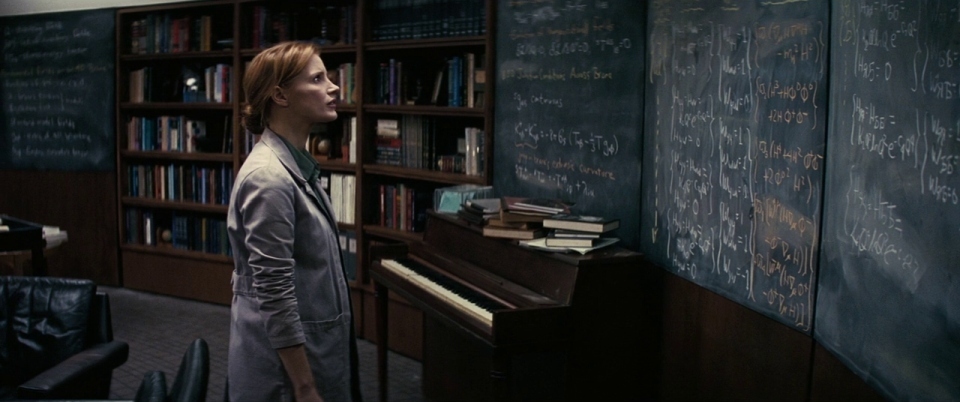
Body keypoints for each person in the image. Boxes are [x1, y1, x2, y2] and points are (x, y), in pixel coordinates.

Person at [226, 41, 361, 402]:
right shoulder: (268, 178)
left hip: (314, 349)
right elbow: (274, 292)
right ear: (280, 96)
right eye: (317, 79)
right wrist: (304, 385)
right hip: (285, 375)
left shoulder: (296, 163)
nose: (333, 87)